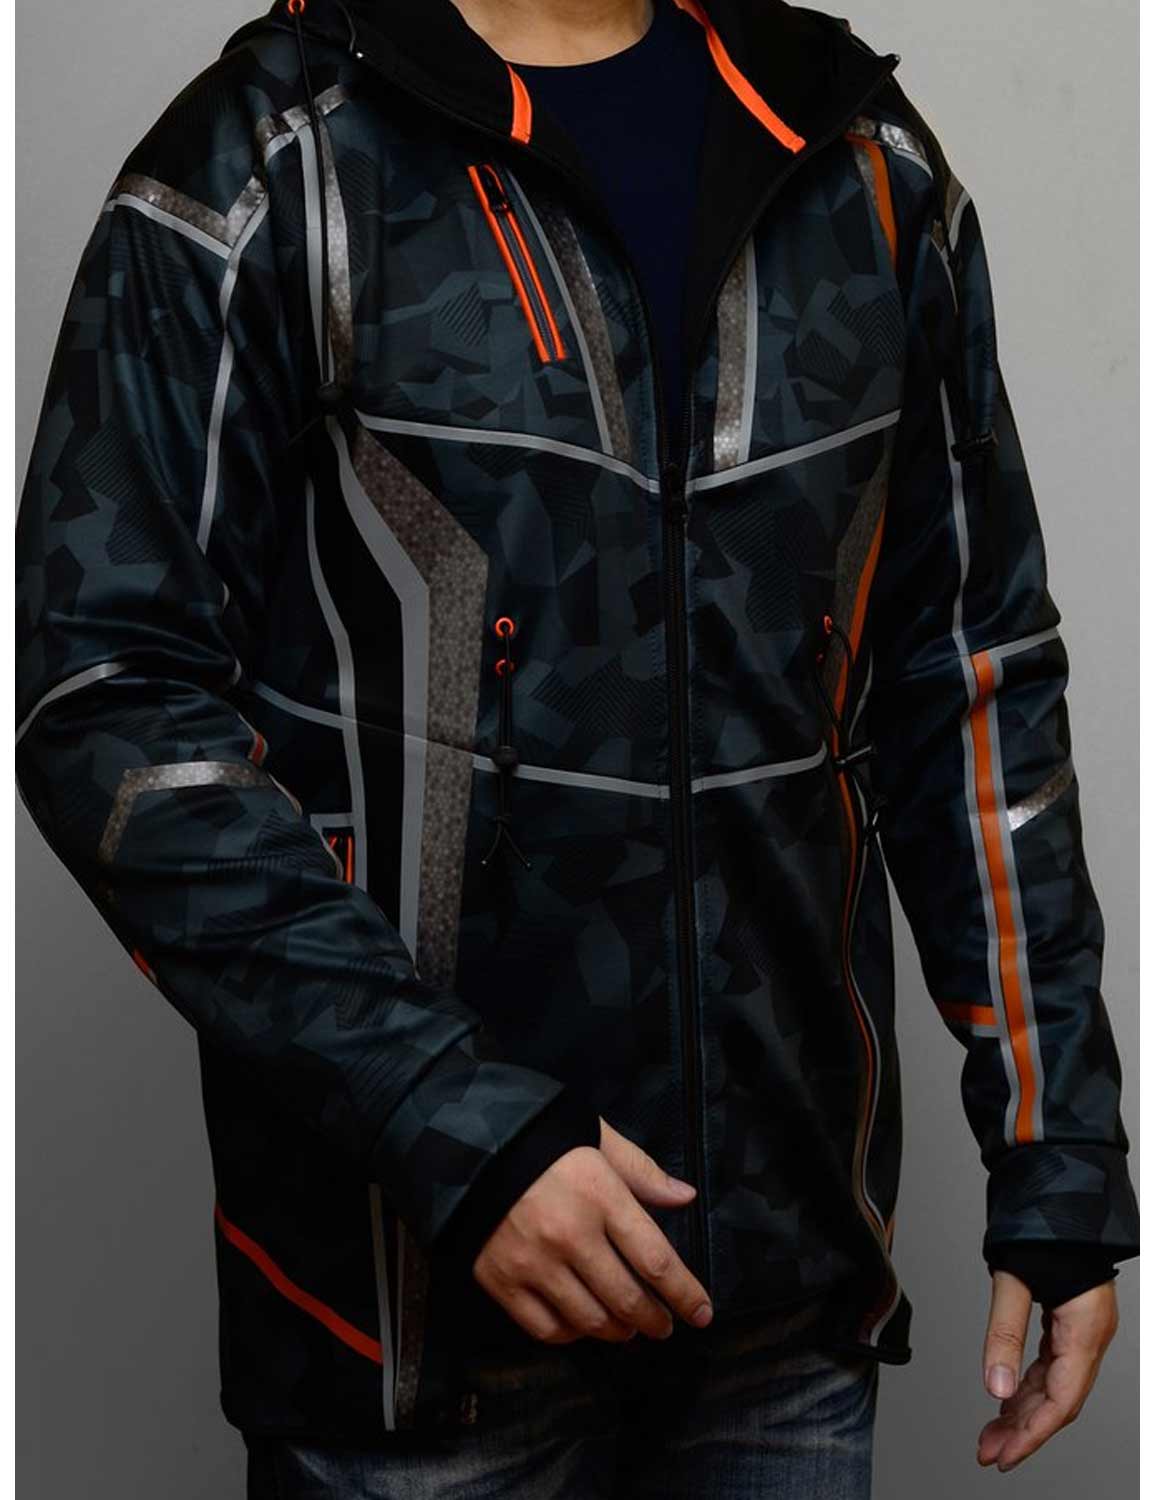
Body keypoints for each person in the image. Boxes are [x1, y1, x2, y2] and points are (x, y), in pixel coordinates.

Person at [14, 0, 1139, 1494]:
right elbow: (106, 698)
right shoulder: (273, 155)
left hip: (781, 1310)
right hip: (414, 1326)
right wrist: (453, 1123)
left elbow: (970, 678)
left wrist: (1057, 1155)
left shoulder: (858, 155)